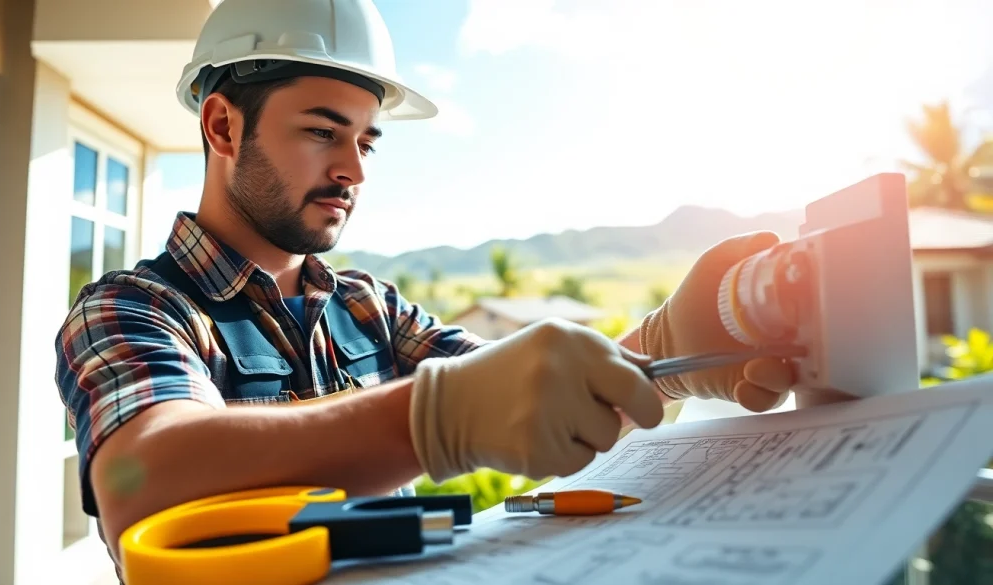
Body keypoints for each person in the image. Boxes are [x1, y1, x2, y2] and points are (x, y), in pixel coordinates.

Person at [54, 0, 796, 574]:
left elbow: (533, 393)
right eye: (322, 131)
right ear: (222, 126)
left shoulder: (367, 307)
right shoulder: (131, 309)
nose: (354, 169)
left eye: (365, 140)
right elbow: (143, 475)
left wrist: (664, 356)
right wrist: (433, 419)